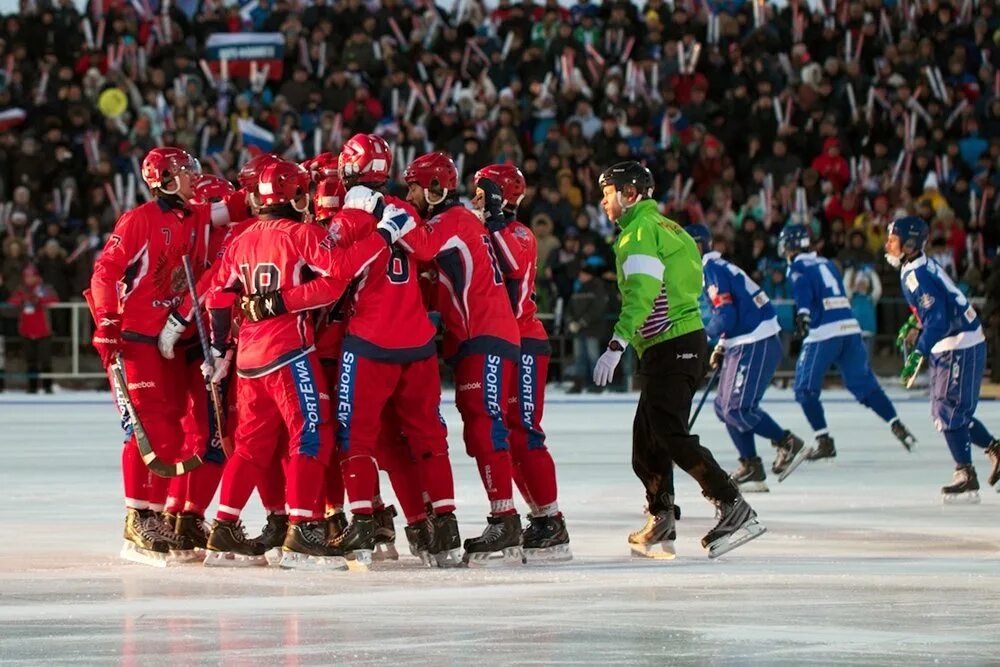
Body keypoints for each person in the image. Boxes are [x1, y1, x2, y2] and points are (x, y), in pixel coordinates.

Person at [199, 160, 414, 569]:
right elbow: (339, 274)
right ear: (296, 197)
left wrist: (219, 348)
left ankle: (223, 526)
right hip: (289, 352)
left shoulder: (242, 237)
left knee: (250, 446)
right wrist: (385, 234)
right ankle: (304, 529)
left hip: (248, 358)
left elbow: (217, 297)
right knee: (311, 435)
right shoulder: (303, 234)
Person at [593, 161, 765, 559]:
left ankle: (732, 504)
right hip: (675, 343)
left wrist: (617, 344)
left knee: (669, 433)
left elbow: (643, 293)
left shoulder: (639, 232)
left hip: (671, 343)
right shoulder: (672, 228)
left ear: (629, 193)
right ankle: (662, 517)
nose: (603, 203)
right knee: (647, 440)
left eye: (607, 193)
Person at [88, 146, 248, 567]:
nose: (194, 178)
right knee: (149, 423)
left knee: (175, 431)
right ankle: (137, 516)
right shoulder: (139, 220)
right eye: (185, 172)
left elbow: (234, 206)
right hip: (138, 335)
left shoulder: (195, 215)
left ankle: (156, 515)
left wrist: (274, 183)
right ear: (164, 178)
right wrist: (106, 321)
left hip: (171, 341)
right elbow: (105, 270)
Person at [397, 152, 525, 566]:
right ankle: (504, 519)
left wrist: (388, 213)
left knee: (487, 427)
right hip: (483, 334)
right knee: (481, 429)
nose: (409, 195)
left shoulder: (450, 220)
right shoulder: (460, 219)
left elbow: (419, 247)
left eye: (414, 187)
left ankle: (505, 521)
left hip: (483, 334)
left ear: (435, 187)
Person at [473, 163, 572, 563]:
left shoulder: (518, 233)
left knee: (525, 431)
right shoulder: (487, 231)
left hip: (526, 341)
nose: (475, 198)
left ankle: (551, 521)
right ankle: (541, 518)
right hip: (504, 341)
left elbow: (514, 264)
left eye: (482, 192)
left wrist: (494, 219)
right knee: (508, 436)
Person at [778, 223, 917, 460]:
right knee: (864, 385)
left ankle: (824, 440)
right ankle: (896, 423)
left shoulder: (797, 267)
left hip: (824, 333)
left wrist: (803, 314)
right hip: (850, 329)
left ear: (789, 246)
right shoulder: (828, 264)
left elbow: (803, 290)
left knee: (804, 390)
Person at [886, 216, 1000, 502]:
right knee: (948, 412)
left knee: (948, 412)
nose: (888, 243)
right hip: (954, 342)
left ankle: (966, 473)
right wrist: (914, 325)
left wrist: (919, 352)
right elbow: (932, 311)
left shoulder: (917, 274)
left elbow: (937, 320)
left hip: (958, 343)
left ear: (909, 243)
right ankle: (991, 453)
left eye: (893, 238)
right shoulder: (914, 268)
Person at [685, 224, 807, 491]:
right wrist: (722, 344)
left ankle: (787, 443)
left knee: (736, 408)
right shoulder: (717, 268)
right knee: (723, 408)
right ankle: (751, 465)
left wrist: (701, 335)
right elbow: (732, 313)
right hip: (746, 339)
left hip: (755, 340)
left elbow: (725, 316)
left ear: (695, 246)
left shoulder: (710, 270)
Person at [8, 265, 58, 394]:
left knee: (45, 360)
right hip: (26, 331)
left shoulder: (44, 288)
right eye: (27, 276)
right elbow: (12, 301)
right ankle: (32, 387)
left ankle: (48, 387)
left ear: (37, 276)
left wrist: (39, 300)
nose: (29, 279)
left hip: (43, 331)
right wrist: (23, 299)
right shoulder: (21, 289)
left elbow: (54, 300)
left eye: (32, 276)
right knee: (30, 361)